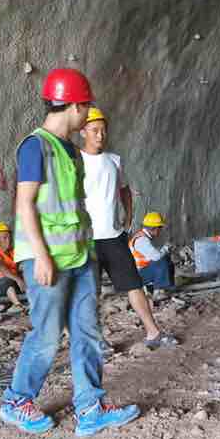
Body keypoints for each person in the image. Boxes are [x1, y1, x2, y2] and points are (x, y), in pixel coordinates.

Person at [0, 68, 140, 437]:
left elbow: (73, 208)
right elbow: (25, 205)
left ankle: (90, 408)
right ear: (74, 105)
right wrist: (42, 257)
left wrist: (90, 255)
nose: (89, 114)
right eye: (87, 107)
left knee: (88, 333)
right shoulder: (37, 146)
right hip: (47, 261)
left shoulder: (72, 153)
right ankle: (15, 400)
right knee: (46, 336)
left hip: (79, 259)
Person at [80, 107, 176, 349]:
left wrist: (129, 214)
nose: (100, 135)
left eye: (103, 130)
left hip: (113, 237)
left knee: (134, 284)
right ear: (83, 132)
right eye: (94, 130)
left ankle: (153, 333)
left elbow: (124, 189)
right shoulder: (76, 163)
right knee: (92, 293)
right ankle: (97, 342)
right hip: (87, 239)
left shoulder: (114, 160)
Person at [129, 212, 176, 293]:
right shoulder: (142, 240)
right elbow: (156, 257)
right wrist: (166, 248)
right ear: (154, 228)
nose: (160, 230)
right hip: (137, 276)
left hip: (139, 272)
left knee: (166, 259)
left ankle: (167, 286)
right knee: (161, 260)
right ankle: (158, 290)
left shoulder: (143, 236)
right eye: (160, 227)